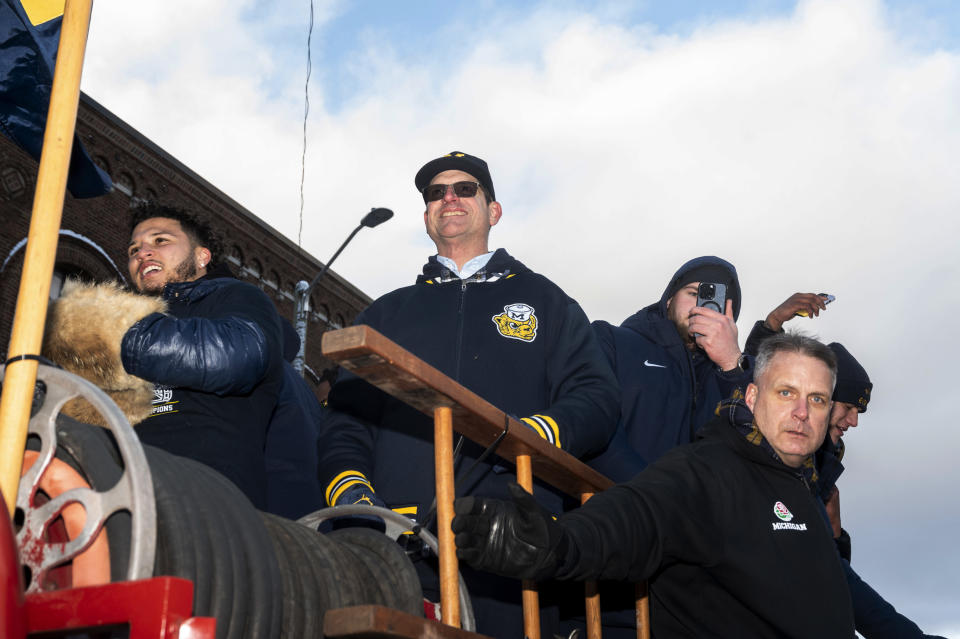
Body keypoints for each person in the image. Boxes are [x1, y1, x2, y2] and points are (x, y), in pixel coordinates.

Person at [317, 151, 619, 636]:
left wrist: (534, 435)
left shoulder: (547, 302)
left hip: (510, 541)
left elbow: (596, 396)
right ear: (427, 216)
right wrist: (353, 493)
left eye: (465, 188)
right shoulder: (385, 315)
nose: (449, 198)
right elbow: (345, 422)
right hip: (398, 545)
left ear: (493, 211)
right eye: (436, 193)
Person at [453, 332, 858, 637]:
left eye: (818, 399)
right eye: (786, 392)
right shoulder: (706, 471)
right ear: (752, 397)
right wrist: (557, 544)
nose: (802, 412)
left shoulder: (804, 485)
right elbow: (637, 518)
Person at [121, 203, 284, 509]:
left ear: (201, 256)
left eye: (160, 241)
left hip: (207, 502)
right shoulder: (130, 319)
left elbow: (237, 355)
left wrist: (118, 336)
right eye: (134, 250)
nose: (142, 253)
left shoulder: (235, 297)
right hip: (123, 493)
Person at [588, 256, 751, 482]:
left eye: (718, 301)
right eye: (694, 293)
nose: (701, 307)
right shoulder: (611, 341)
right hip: (615, 505)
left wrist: (732, 365)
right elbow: (593, 428)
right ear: (669, 300)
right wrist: (654, 494)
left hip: (700, 514)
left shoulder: (740, 373)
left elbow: (759, 450)